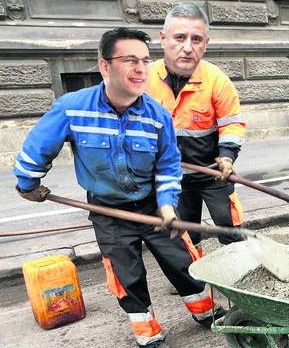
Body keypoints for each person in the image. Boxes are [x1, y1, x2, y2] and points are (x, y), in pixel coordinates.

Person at [13, 28, 214, 348]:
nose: (140, 68)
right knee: (125, 273)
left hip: (151, 204)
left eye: (146, 60)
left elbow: (168, 165)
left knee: (182, 259)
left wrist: (166, 203)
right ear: (105, 66)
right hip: (107, 210)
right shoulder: (73, 108)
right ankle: (146, 330)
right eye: (130, 60)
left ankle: (204, 310)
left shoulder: (157, 116)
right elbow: (38, 147)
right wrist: (28, 182)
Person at [146, 3, 246, 257]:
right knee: (186, 229)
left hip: (213, 173)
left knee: (229, 224)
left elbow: (231, 123)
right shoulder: (144, 80)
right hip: (173, 177)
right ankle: (194, 274)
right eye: (180, 37)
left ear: (206, 43)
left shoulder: (216, 80)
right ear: (163, 39)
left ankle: (240, 269)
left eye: (196, 39)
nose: (188, 47)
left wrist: (227, 157)